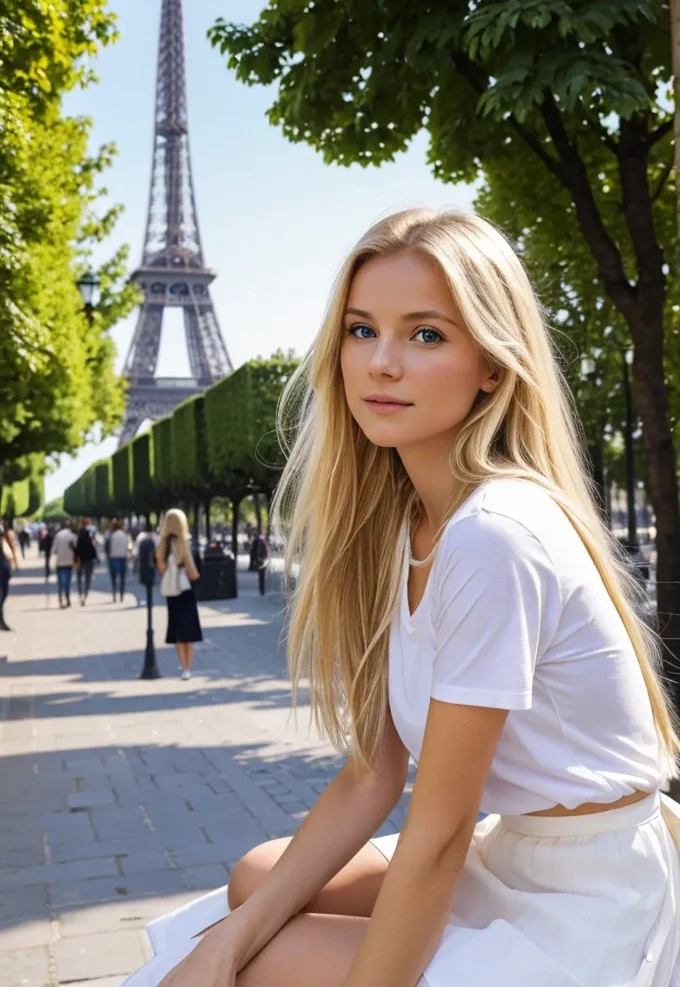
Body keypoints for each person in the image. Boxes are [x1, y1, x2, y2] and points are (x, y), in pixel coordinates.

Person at [123, 210, 680, 987]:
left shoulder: (494, 534)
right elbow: (372, 772)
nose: (380, 363)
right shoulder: (411, 525)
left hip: (591, 902)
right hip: (514, 852)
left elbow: (441, 832)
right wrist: (232, 934)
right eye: (360, 330)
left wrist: (235, 955)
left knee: (261, 964)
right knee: (254, 886)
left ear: (492, 362)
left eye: (425, 335)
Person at [155, 509, 201, 680]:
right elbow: (194, 574)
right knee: (189, 632)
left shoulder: (163, 546)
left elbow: (161, 569)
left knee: (177, 632)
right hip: (187, 592)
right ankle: (188, 667)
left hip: (172, 593)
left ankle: (184, 667)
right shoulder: (186, 544)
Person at [74, 519, 98, 606]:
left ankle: (80, 595)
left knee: (79, 578)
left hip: (80, 560)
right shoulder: (89, 537)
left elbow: (76, 550)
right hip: (89, 560)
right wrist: (96, 558)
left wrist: (75, 560)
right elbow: (93, 549)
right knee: (88, 578)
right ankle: (85, 595)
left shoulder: (79, 538)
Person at [53, 521, 76, 609]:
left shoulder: (58, 535)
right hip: (69, 562)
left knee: (60, 583)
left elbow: (54, 549)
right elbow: (75, 548)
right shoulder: (72, 536)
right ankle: (67, 599)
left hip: (60, 562)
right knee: (67, 582)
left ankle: (61, 600)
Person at [0, 522, 19, 631]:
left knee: (4, 592)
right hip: (2, 564)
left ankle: (1, 620)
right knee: (2, 593)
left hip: (3, 563)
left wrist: (14, 561)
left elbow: (9, 543)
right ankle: (1, 620)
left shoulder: (3, 528)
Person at [107, 519, 130, 602]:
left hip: (113, 558)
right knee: (122, 579)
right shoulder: (124, 535)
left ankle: (114, 595)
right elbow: (127, 546)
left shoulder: (111, 535)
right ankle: (121, 595)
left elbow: (108, 547)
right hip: (122, 558)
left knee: (114, 579)